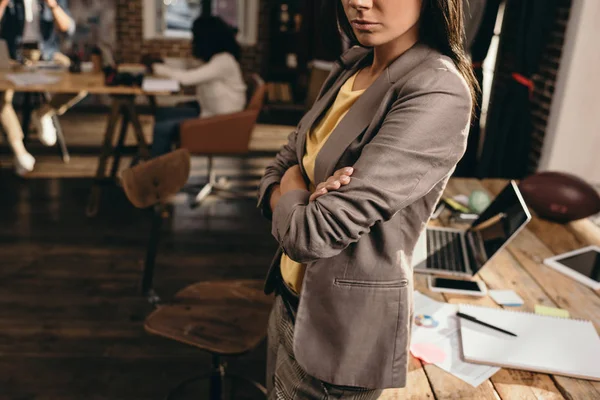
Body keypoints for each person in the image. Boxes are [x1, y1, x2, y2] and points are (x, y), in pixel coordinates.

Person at [257, 0, 477, 398]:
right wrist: (300, 191)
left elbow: (311, 234)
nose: (359, 1)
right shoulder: (354, 64)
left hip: (338, 334)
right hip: (289, 298)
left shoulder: (437, 89)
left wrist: (293, 190)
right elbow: (281, 164)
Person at [150, 15, 247, 158]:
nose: (193, 42)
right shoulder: (217, 59)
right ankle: (165, 160)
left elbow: (187, 79)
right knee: (162, 113)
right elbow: (187, 68)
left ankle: (158, 174)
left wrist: (156, 67)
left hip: (221, 122)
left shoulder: (223, 61)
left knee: (161, 129)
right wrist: (163, 63)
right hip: (210, 113)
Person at [0, 0, 76, 175]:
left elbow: (68, 29)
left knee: (78, 77)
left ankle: (44, 113)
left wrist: (53, 6)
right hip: (14, 56)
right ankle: (19, 151)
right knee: (1, 99)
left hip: (47, 55)